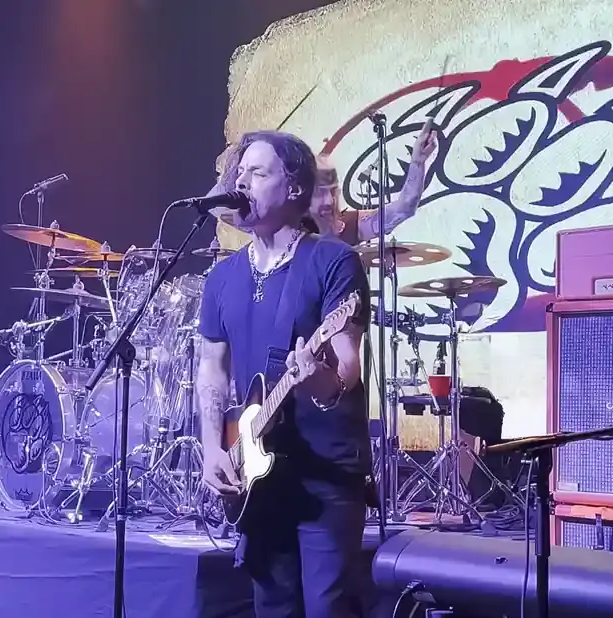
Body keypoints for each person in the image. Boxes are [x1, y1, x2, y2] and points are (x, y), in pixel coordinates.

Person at [197, 130, 372, 618]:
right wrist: (213, 447)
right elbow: (211, 368)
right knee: (272, 608)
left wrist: (314, 376)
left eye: (258, 172)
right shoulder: (222, 277)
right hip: (258, 472)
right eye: (240, 173)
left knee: (326, 609)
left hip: (326, 477)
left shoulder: (333, 260)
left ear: (294, 188)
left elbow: (347, 369)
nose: (243, 181)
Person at [213, 121, 437, 251]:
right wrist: (237, 162)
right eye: (321, 193)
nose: (330, 200)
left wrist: (417, 162)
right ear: (297, 192)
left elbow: (404, 207)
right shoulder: (274, 225)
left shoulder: (349, 226)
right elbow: (217, 205)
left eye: (333, 190)